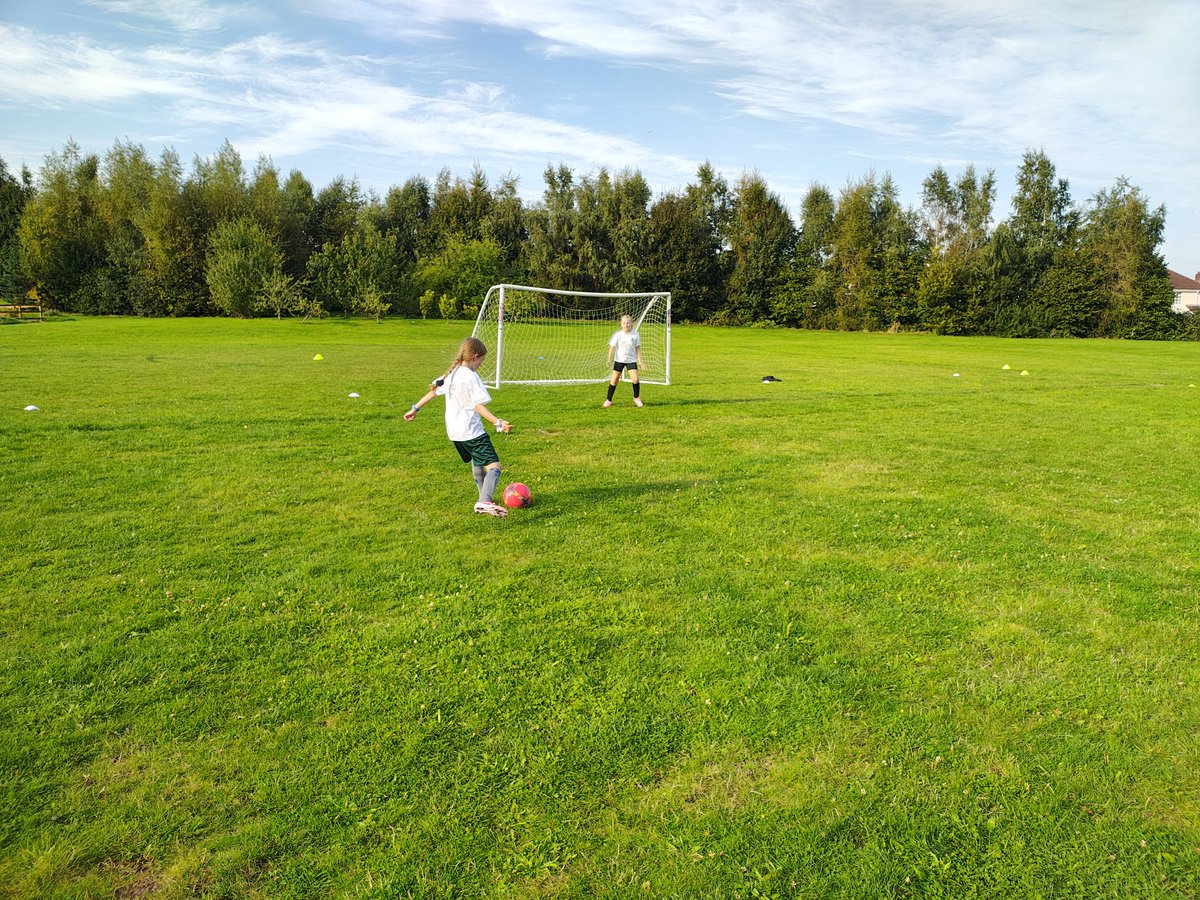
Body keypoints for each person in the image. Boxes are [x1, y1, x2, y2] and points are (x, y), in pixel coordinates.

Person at [404, 337, 512, 518]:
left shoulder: (451, 373)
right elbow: (478, 405)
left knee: (477, 461)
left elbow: (433, 392)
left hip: (454, 432)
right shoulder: (471, 377)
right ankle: (484, 500)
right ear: (476, 357)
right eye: (482, 361)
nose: (480, 365)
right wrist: (497, 422)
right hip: (471, 431)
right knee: (495, 466)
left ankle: (483, 499)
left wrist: (415, 409)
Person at [604, 314, 644, 408]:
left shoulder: (635, 334)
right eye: (624, 323)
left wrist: (640, 361)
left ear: (631, 323)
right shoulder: (618, 335)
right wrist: (609, 358)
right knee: (614, 381)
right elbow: (612, 347)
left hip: (631, 360)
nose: (626, 324)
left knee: (635, 379)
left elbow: (638, 349)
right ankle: (608, 400)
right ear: (621, 324)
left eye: (628, 323)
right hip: (619, 360)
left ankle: (636, 398)